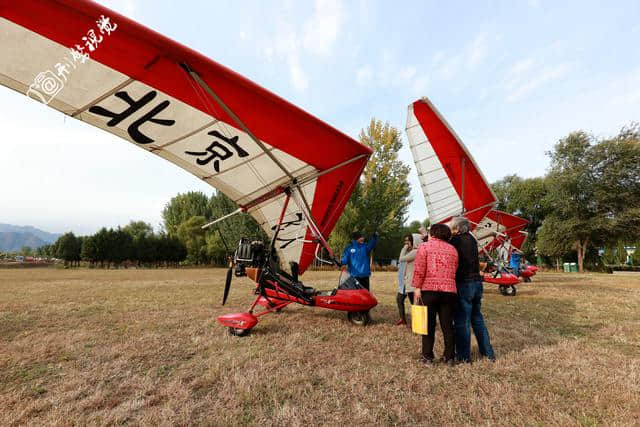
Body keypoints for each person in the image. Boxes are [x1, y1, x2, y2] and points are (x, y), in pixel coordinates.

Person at [449, 216, 495, 363]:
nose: (450, 229)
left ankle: (463, 357)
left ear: (457, 229)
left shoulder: (455, 241)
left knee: (462, 321)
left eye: (452, 227)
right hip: (477, 283)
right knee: (477, 318)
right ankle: (488, 353)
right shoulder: (472, 239)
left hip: (464, 284)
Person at [412, 224, 458, 364]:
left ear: (432, 233)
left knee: (428, 325)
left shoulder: (424, 247)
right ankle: (449, 357)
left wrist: (417, 287)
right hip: (449, 291)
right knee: (447, 326)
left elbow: (419, 268)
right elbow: (455, 268)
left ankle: (427, 357)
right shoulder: (453, 249)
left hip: (429, 290)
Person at [396, 234, 421, 325]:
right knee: (399, 299)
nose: (406, 243)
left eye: (408, 241)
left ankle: (418, 323)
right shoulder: (409, 251)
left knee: (414, 303)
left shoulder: (415, 251)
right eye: (405, 241)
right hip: (405, 281)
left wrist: (404, 248)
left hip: (411, 282)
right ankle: (403, 319)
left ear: (414, 241)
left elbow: (401, 259)